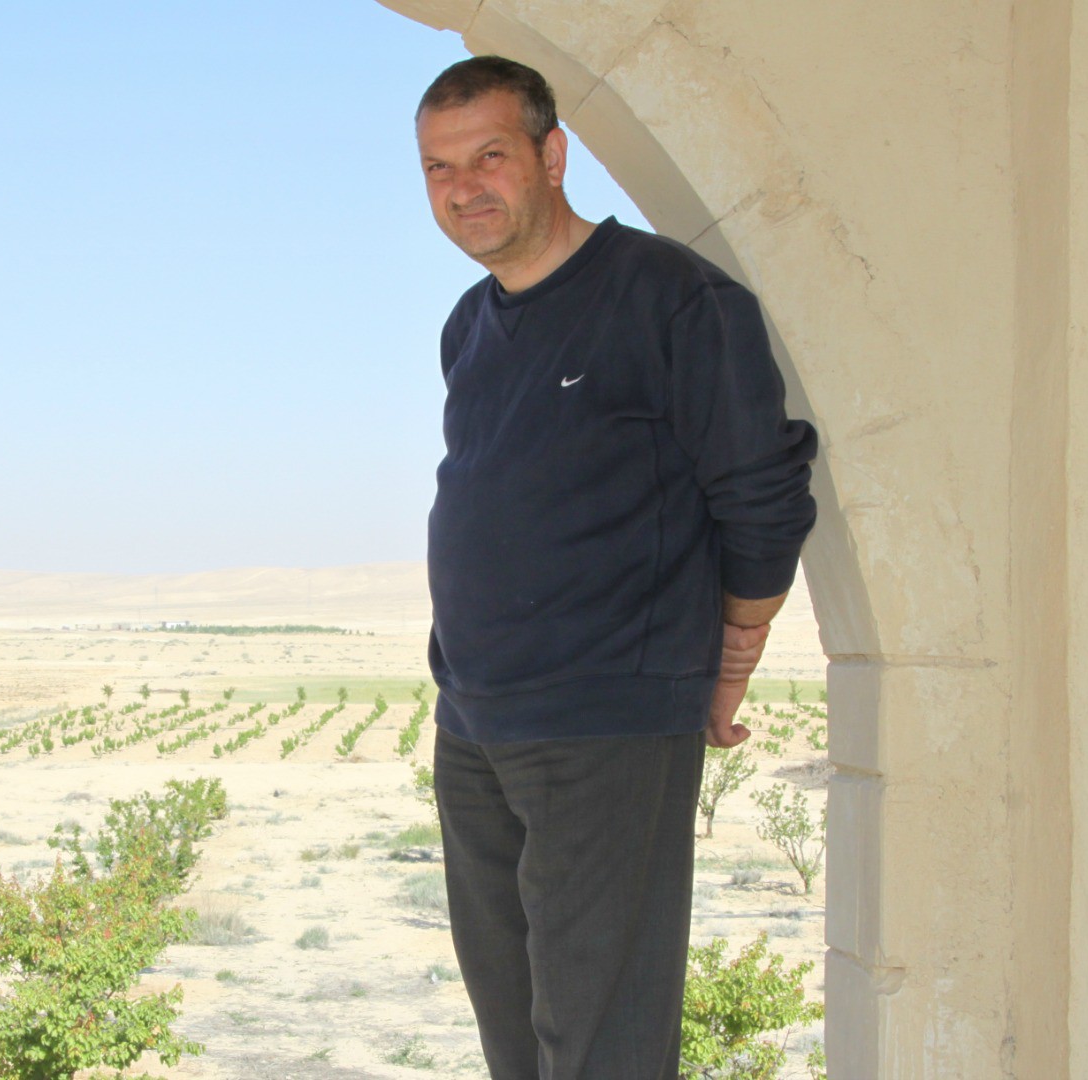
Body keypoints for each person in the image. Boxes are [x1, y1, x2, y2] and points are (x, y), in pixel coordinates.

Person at [415, 56, 819, 1079]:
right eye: (438, 168)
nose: (465, 187)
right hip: (475, 723)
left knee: (603, 1044)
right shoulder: (471, 324)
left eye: (490, 157)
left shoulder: (671, 299)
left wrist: (733, 653)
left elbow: (761, 495)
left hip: (603, 722)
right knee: (517, 1036)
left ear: (553, 156)